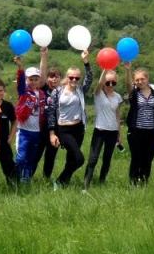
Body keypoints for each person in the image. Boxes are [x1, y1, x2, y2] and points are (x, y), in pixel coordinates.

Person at [45, 52, 92, 189]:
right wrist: (52, 133)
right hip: (64, 130)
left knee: (71, 159)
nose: (74, 80)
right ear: (67, 77)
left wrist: (86, 62)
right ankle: (60, 181)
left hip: (78, 129)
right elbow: (51, 113)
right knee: (80, 159)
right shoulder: (58, 91)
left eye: (77, 78)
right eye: (71, 77)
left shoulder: (80, 90)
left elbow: (89, 79)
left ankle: (63, 183)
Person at [124, 64, 154, 185]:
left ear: (147, 78)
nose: (139, 82)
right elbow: (128, 85)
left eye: (142, 79)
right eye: (137, 80)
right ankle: (133, 183)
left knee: (148, 159)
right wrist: (128, 70)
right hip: (135, 132)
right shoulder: (134, 92)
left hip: (152, 132)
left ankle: (144, 182)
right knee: (136, 158)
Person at [14, 47, 49, 184]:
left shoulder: (41, 94)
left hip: (36, 132)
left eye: (36, 79)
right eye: (31, 79)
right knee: (21, 157)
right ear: (27, 80)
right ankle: (15, 178)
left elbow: (43, 75)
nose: (34, 81)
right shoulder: (24, 92)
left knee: (31, 158)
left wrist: (44, 56)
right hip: (24, 131)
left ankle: (26, 179)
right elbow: (20, 81)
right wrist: (20, 67)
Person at [84, 68, 123, 190]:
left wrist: (119, 134)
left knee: (107, 159)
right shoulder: (98, 93)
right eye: (108, 82)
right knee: (93, 158)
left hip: (112, 132)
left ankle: (101, 182)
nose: (110, 85)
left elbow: (117, 115)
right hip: (100, 131)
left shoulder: (118, 96)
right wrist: (105, 69)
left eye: (113, 82)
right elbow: (99, 84)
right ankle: (86, 184)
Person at [0, 78, 16, 184]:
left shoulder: (8, 106)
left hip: (4, 141)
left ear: (4, 91)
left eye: (1, 90)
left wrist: (11, 136)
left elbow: (15, 121)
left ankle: (13, 184)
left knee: (8, 164)